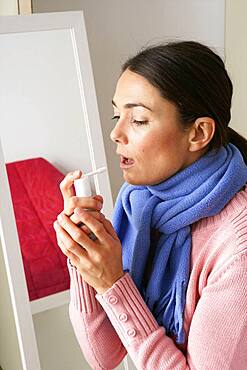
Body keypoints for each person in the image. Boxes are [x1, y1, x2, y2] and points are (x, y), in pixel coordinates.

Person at [53, 41, 247, 369]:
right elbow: (104, 357)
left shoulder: (237, 248)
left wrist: (113, 282)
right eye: (117, 115)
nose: (116, 133)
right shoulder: (140, 207)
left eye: (139, 120)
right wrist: (84, 257)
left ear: (199, 132)